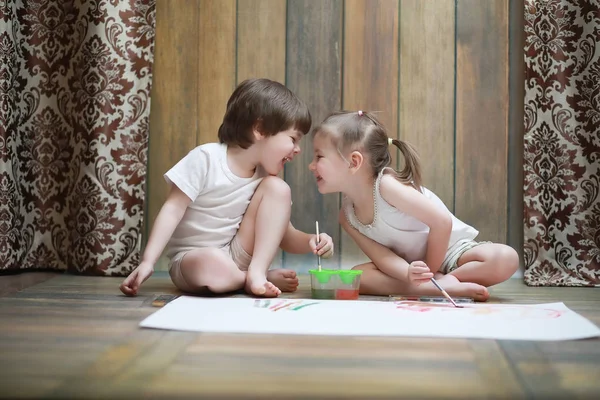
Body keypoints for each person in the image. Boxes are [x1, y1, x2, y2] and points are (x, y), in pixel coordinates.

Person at [120, 78, 334, 298]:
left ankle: (256, 273)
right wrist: (148, 261)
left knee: (278, 188)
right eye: (293, 139)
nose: (297, 150)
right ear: (260, 129)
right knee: (212, 262)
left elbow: (284, 234)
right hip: (193, 260)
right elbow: (172, 209)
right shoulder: (206, 158)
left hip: (236, 256)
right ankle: (255, 278)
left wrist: (311, 240)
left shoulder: (264, 178)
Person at [308, 110, 519, 301]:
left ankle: (438, 284)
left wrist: (429, 271)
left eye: (319, 156)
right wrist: (409, 273)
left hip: (450, 252)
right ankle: (440, 288)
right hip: (409, 267)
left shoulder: (386, 186)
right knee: (358, 276)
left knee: (505, 258)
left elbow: (441, 222)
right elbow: (383, 258)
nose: (311, 166)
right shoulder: (347, 217)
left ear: (354, 162)